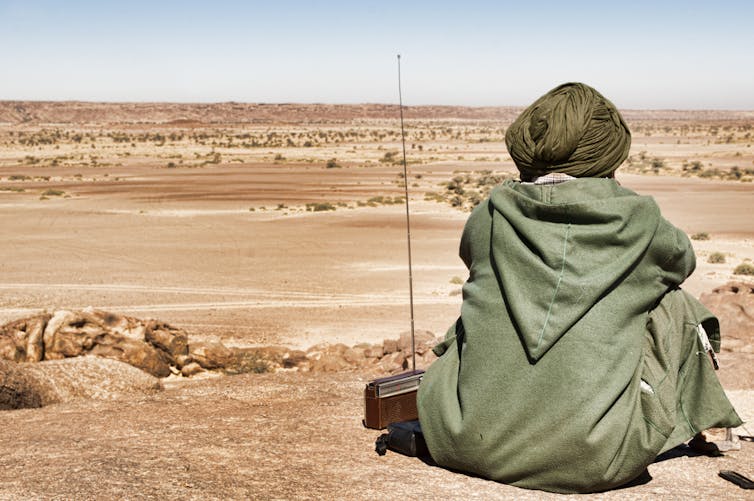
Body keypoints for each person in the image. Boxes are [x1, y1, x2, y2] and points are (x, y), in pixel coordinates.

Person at [416, 82, 742, 494]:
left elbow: (473, 261)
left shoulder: (487, 216)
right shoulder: (642, 224)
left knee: (489, 295)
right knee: (674, 302)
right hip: (597, 459)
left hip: (457, 440)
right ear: (609, 148)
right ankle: (694, 421)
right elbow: (682, 263)